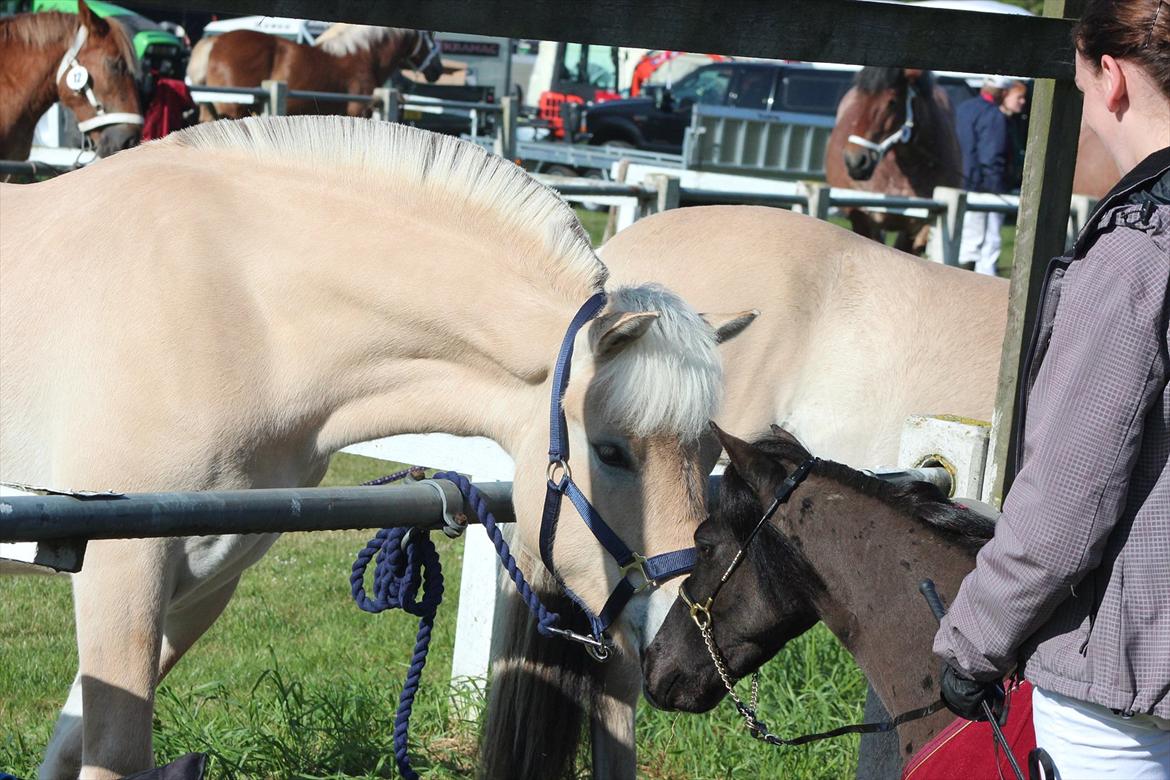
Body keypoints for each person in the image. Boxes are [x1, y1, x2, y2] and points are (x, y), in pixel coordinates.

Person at [934, 0, 1170, 778]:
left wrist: (973, 643)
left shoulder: (1138, 253)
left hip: (1129, 693)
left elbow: (1070, 495)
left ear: (1110, 78)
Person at [956, 75, 1013, 276]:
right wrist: (997, 190)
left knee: (967, 242)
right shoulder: (994, 115)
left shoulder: (963, 108)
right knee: (988, 242)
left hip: (961, 183)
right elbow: (992, 158)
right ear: (1004, 93)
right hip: (986, 189)